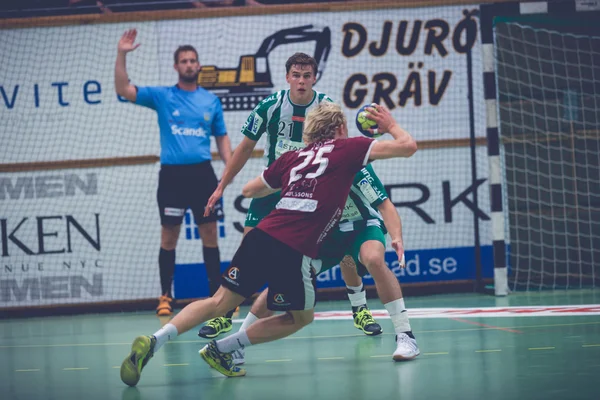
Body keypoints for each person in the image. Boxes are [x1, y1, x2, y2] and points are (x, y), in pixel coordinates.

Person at [119, 101, 417, 386]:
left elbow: (250, 189)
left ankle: (155, 339)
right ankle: (225, 347)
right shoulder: (347, 149)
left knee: (218, 302)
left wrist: (293, 187)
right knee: (301, 317)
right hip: (294, 245)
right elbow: (408, 147)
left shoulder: (292, 158)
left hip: (262, 235)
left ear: (310, 132)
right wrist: (389, 124)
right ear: (340, 127)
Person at [198, 52, 382, 338]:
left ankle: (359, 307)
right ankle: (225, 315)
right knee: (249, 247)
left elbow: (344, 144)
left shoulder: (327, 105)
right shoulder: (270, 106)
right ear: (287, 78)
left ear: (314, 78)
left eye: (307, 76)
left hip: (315, 188)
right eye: (296, 75)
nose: (301, 81)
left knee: (344, 245)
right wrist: (223, 184)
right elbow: (245, 147)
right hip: (274, 185)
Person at [231, 164, 420, 364]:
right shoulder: (301, 165)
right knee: (285, 277)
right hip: (326, 232)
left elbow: (384, 204)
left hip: (362, 224)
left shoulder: (354, 161)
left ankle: (405, 336)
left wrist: (397, 237)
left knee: (373, 259)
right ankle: (235, 343)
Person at [114, 29, 232, 316]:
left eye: (193, 60)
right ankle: (165, 296)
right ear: (176, 66)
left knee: (210, 236)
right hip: (172, 178)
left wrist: (230, 170)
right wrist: (121, 54)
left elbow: (222, 137)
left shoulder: (211, 101)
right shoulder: (163, 96)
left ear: (199, 65)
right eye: (184, 61)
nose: (189, 64)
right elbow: (123, 90)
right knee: (169, 237)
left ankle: (218, 298)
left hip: (203, 176)